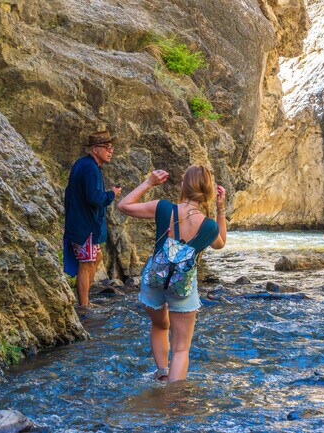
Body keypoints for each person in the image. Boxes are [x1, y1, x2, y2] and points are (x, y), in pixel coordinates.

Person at [117, 165, 226, 382]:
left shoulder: (164, 208)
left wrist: (149, 182)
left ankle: (162, 373)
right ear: (207, 192)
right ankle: (173, 401)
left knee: (159, 324)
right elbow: (220, 244)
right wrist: (221, 209)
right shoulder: (209, 226)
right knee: (181, 349)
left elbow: (124, 205)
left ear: (183, 186)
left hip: (154, 280)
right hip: (182, 286)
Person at [63, 130, 121, 307]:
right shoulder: (90, 168)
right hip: (85, 226)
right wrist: (112, 194)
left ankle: (84, 298)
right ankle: (84, 303)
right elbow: (94, 198)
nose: (111, 151)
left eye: (111, 148)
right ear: (95, 150)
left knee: (96, 258)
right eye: (107, 147)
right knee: (87, 262)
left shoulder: (84, 165)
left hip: (80, 223)